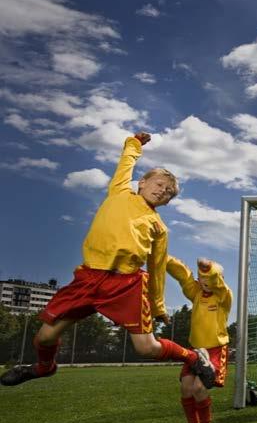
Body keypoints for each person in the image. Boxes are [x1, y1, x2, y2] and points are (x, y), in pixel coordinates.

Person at [1, 133, 215, 389]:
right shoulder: (119, 192)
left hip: (126, 285)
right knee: (45, 337)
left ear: (169, 201)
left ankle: (194, 357)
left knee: (146, 347)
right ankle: (44, 368)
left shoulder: (159, 227)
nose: (162, 191)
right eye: (158, 184)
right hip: (88, 279)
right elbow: (125, 164)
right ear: (142, 182)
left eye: (168, 192)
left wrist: (158, 306)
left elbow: (157, 269)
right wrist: (134, 144)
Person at [166, 256, 232, 423]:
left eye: (208, 278)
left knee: (198, 388)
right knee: (186, 388)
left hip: (214, 349)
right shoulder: (196, 293)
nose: (203, 282)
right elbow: (184, 277)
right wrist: (164, 258)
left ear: (217, 279)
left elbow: (218, 285)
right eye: (201, 279)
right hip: (195, 350)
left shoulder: (223, 296)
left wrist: (208, 268)